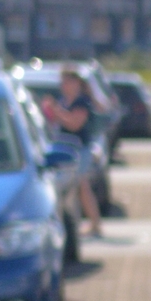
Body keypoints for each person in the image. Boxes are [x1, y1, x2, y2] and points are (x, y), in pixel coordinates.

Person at [43, 71, 105, 239]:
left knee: (81, 186)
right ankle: (85, 224)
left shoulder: (82, 102)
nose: (63, 86)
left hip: (80, 151)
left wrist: (57, 111)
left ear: (76, 83)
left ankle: (94, 225)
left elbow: (75, 124)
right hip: (66, 149)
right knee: (77, 189)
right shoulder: (64, 101)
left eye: (67, 82)